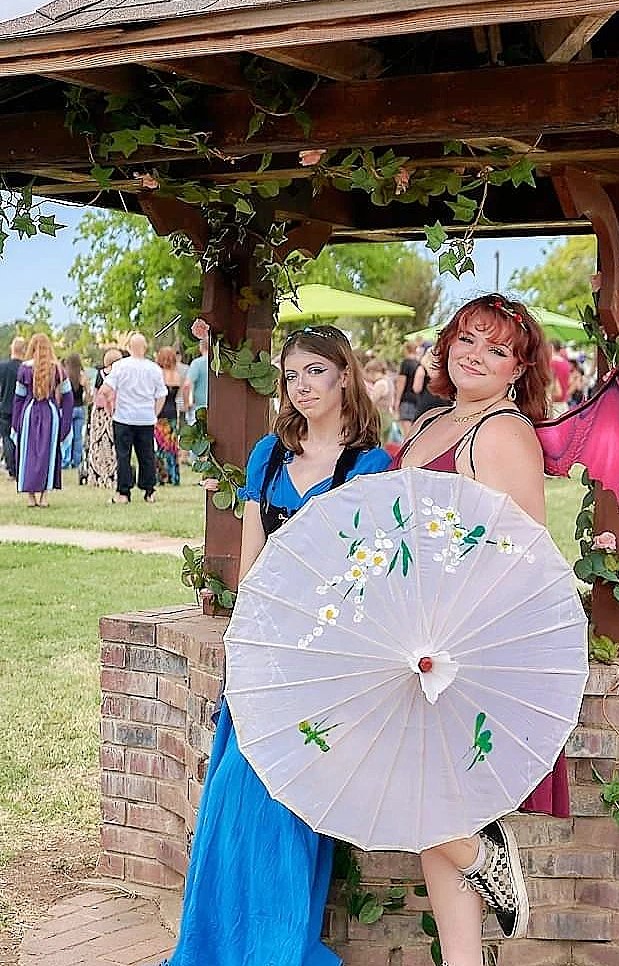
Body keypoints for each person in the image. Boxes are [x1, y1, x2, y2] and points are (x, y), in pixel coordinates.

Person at [160, 325, 390, 966]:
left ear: (344, 376)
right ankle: (218, 946)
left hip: (325, 658)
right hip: (266, 648)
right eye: (291, 375)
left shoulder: (369, 466)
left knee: (289, 802)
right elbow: (253, 562)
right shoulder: (268, 456)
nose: (302, 386)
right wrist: (246, 640)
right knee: (235, 793)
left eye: (316, 371)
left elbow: (364, 573)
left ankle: (275, 947)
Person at [391, 295, 561, 963]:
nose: (476, 355)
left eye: (497, 349)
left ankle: (482, 858)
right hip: (411, 630)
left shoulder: (502, 433)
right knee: (431, 796)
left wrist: (458, 623)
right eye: (467, 338)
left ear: (519, 368)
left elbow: (526, 553)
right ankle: (472, 906)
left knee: (423, 791)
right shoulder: (432, 421)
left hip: (467, 640)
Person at [99, 332, 167, 504]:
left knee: (123, 455)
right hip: (145, 418)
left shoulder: (120, 366)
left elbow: (105, 390)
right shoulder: (154, 369)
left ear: (129, 348)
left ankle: (123, 492)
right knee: (147, 455)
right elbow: (161, 395)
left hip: (124, 417)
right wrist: (154, 413)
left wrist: (110, 408)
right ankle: (149, 491)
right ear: (145, 348)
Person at [11, 333, 74, 507]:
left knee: (28, 453)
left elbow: (18, 398)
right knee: (48, 454)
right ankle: (44, 496)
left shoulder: (24, 369)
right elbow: (68, 397)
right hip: (50, 414)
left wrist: (15, 424)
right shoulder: (58, 369)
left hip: (29, 414)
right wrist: (65, 422)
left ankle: (31, 497)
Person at [87, 348, 123, 489]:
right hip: (115, 410)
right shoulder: (120, 373)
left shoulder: (100, 374)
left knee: (97, 443)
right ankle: (113, 474)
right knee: (114, 443)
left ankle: (97, 474)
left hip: (100, 413)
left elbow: (96, 393)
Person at [154, 346, 187, 486]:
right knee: (172, 446)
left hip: (160, 413)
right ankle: (174, 476)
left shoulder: (158, 375)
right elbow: (180, 394)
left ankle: (161, 476)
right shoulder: (177, 375)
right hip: (173, 413)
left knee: (160, 445)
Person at [0, 336, 25, 479]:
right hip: (21, 408)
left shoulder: (2, 367)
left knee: (7, 438)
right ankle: (20, 465)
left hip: (4, 407)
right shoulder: (25, 368)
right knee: (21, 438)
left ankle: (11, 467)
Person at [63, 353, 91, 470]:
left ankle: (66, 461)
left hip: (68, 409)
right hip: (79, 408)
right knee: (78, 437)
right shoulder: (82, 376)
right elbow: (88, 396)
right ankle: (77, 461)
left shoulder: (65, 375)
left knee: (67, 436)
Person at [412, 346, 452, 419]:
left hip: (426, 405)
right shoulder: (447, 369)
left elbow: (416, 388)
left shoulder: (422, 369)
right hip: (445, 404)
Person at [363, 357, 396, 440]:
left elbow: (371, 401)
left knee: (377, 440)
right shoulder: (388, 380)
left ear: (372, 372)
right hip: (387, 415)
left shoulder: (380, 383)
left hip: (380, 416)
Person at [394, 340, 420, 437]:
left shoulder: (406, 363)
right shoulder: (418, 364)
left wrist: (397, 400)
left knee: (407, 432)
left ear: (406, 349)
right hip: (417, 399)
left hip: (406, 399)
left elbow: (401, 382)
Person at [186, 336, 209, 426]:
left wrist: (188, 403)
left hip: (199, 408)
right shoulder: (219, 364)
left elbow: (187, 385)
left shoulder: (197, 363)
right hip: (217, 406)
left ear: (201, 347)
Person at [549, 339, 571, 416]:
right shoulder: (566, 363)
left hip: (554, 404)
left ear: (551, 347)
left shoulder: (552, 363)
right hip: (564, 404)